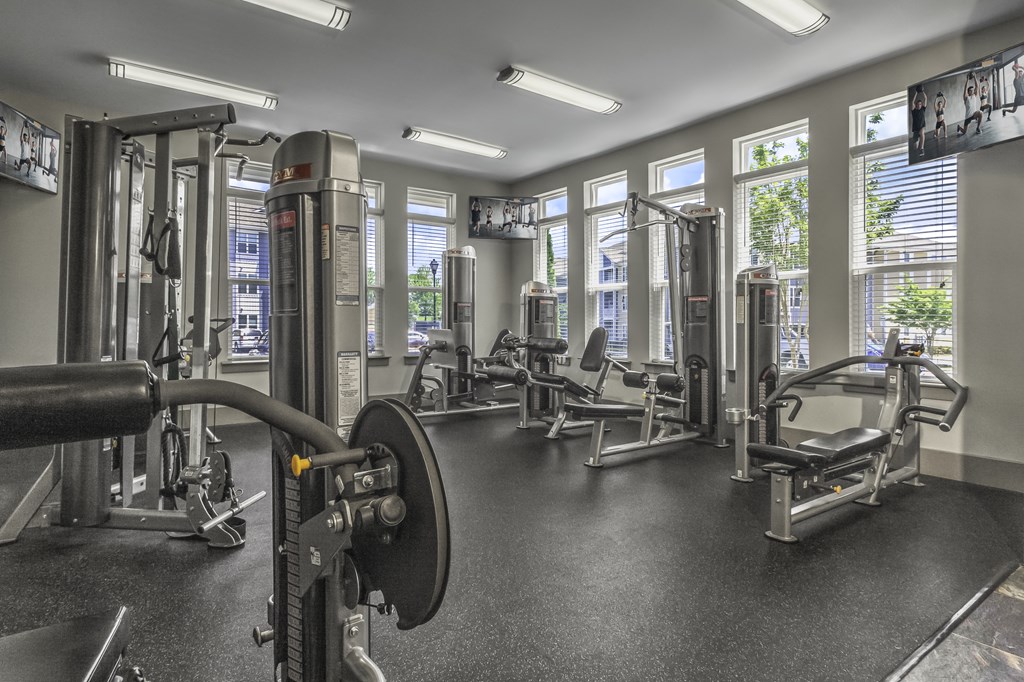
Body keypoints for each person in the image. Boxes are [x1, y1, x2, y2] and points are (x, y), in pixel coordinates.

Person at [956, 72, 983, 136]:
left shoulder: (974, 96)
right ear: (968, 92)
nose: (972, 91)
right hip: (968, 117)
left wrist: (975, 77)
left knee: (980, 112)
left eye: (973, 90)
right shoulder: (966, 98)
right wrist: (967, 79)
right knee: (964, 132)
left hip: (974, 114)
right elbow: (965, 89)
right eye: (970, 90)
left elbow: (977, 86)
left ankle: (978, 128)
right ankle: (959, 127)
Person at [911, 86, 928, 155]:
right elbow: (912, 102)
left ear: (921, 105)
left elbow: (926, 98)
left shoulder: (923, 109)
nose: (919, 105)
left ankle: (922, 149)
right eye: (918, 104)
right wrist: (916, 93)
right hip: (915, 129)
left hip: (922, 126)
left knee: (922, 133)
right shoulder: (913, 111)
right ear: (916, 105)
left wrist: (922, 91)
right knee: (915, 147)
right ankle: (918, 145)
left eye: (920, 104)